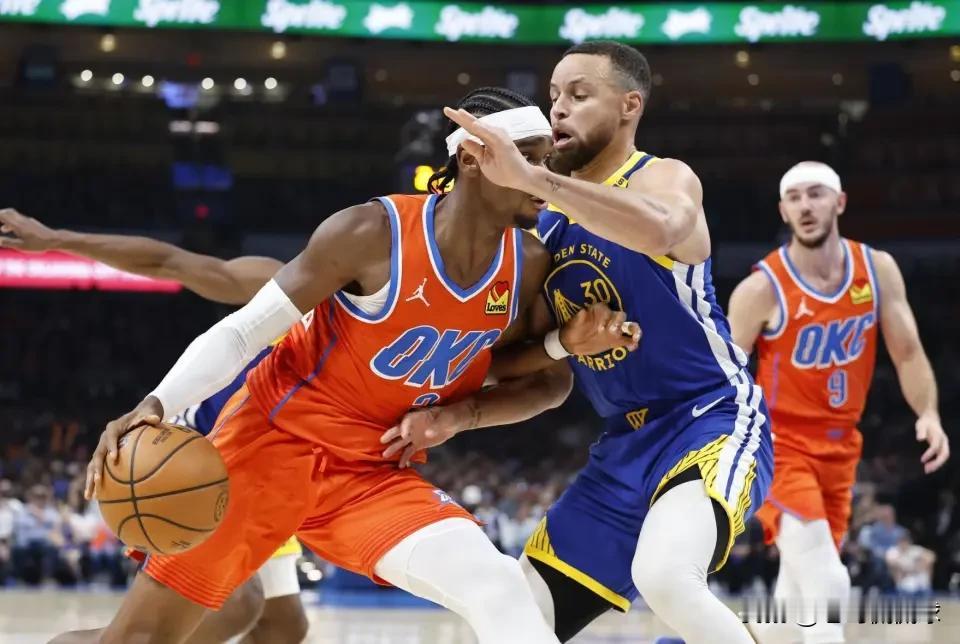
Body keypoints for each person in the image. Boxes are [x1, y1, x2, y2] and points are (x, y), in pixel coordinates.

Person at [51, 86, 639, 644]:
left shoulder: (529, 262)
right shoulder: (370, 233)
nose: (545, 176)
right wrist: (157, 403)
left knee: (499, 583)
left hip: (368, 472)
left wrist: (521, 374)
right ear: (473, 159)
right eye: (529, 159)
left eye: (548, 162)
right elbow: (243, 331)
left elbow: (544, 381)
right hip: (266, 451)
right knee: (142, 638)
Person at [382, 41, 772, 644]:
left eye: (579, 95)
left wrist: (533, 177)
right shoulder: (543, 228)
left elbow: (660, 229)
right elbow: (540, 376)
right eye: (554, 96)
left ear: (629, 105)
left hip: (710, 418)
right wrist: (472, 405)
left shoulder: (663, 177)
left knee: (667, 577)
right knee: (517, 616)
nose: (558, 109)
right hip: (623, 444)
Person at [1, 207, 306, 644]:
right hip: (200, 458)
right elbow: (170, 262)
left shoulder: (389, 348)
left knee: (283, 625)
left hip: (272, 475)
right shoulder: (293, 289)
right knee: (234, 604)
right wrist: (57, 238)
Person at [726, 161, 950, 643]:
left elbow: (908, 353)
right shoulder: (761, 288)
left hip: (840, 447)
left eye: (816, 194)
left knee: (794, 593)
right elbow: (723, 376)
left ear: (840, 202)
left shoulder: (876, 269)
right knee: (828, 577)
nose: (806, 206)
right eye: (795, 198)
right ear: (783, 211)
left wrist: (928, 413)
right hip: (779, 446)